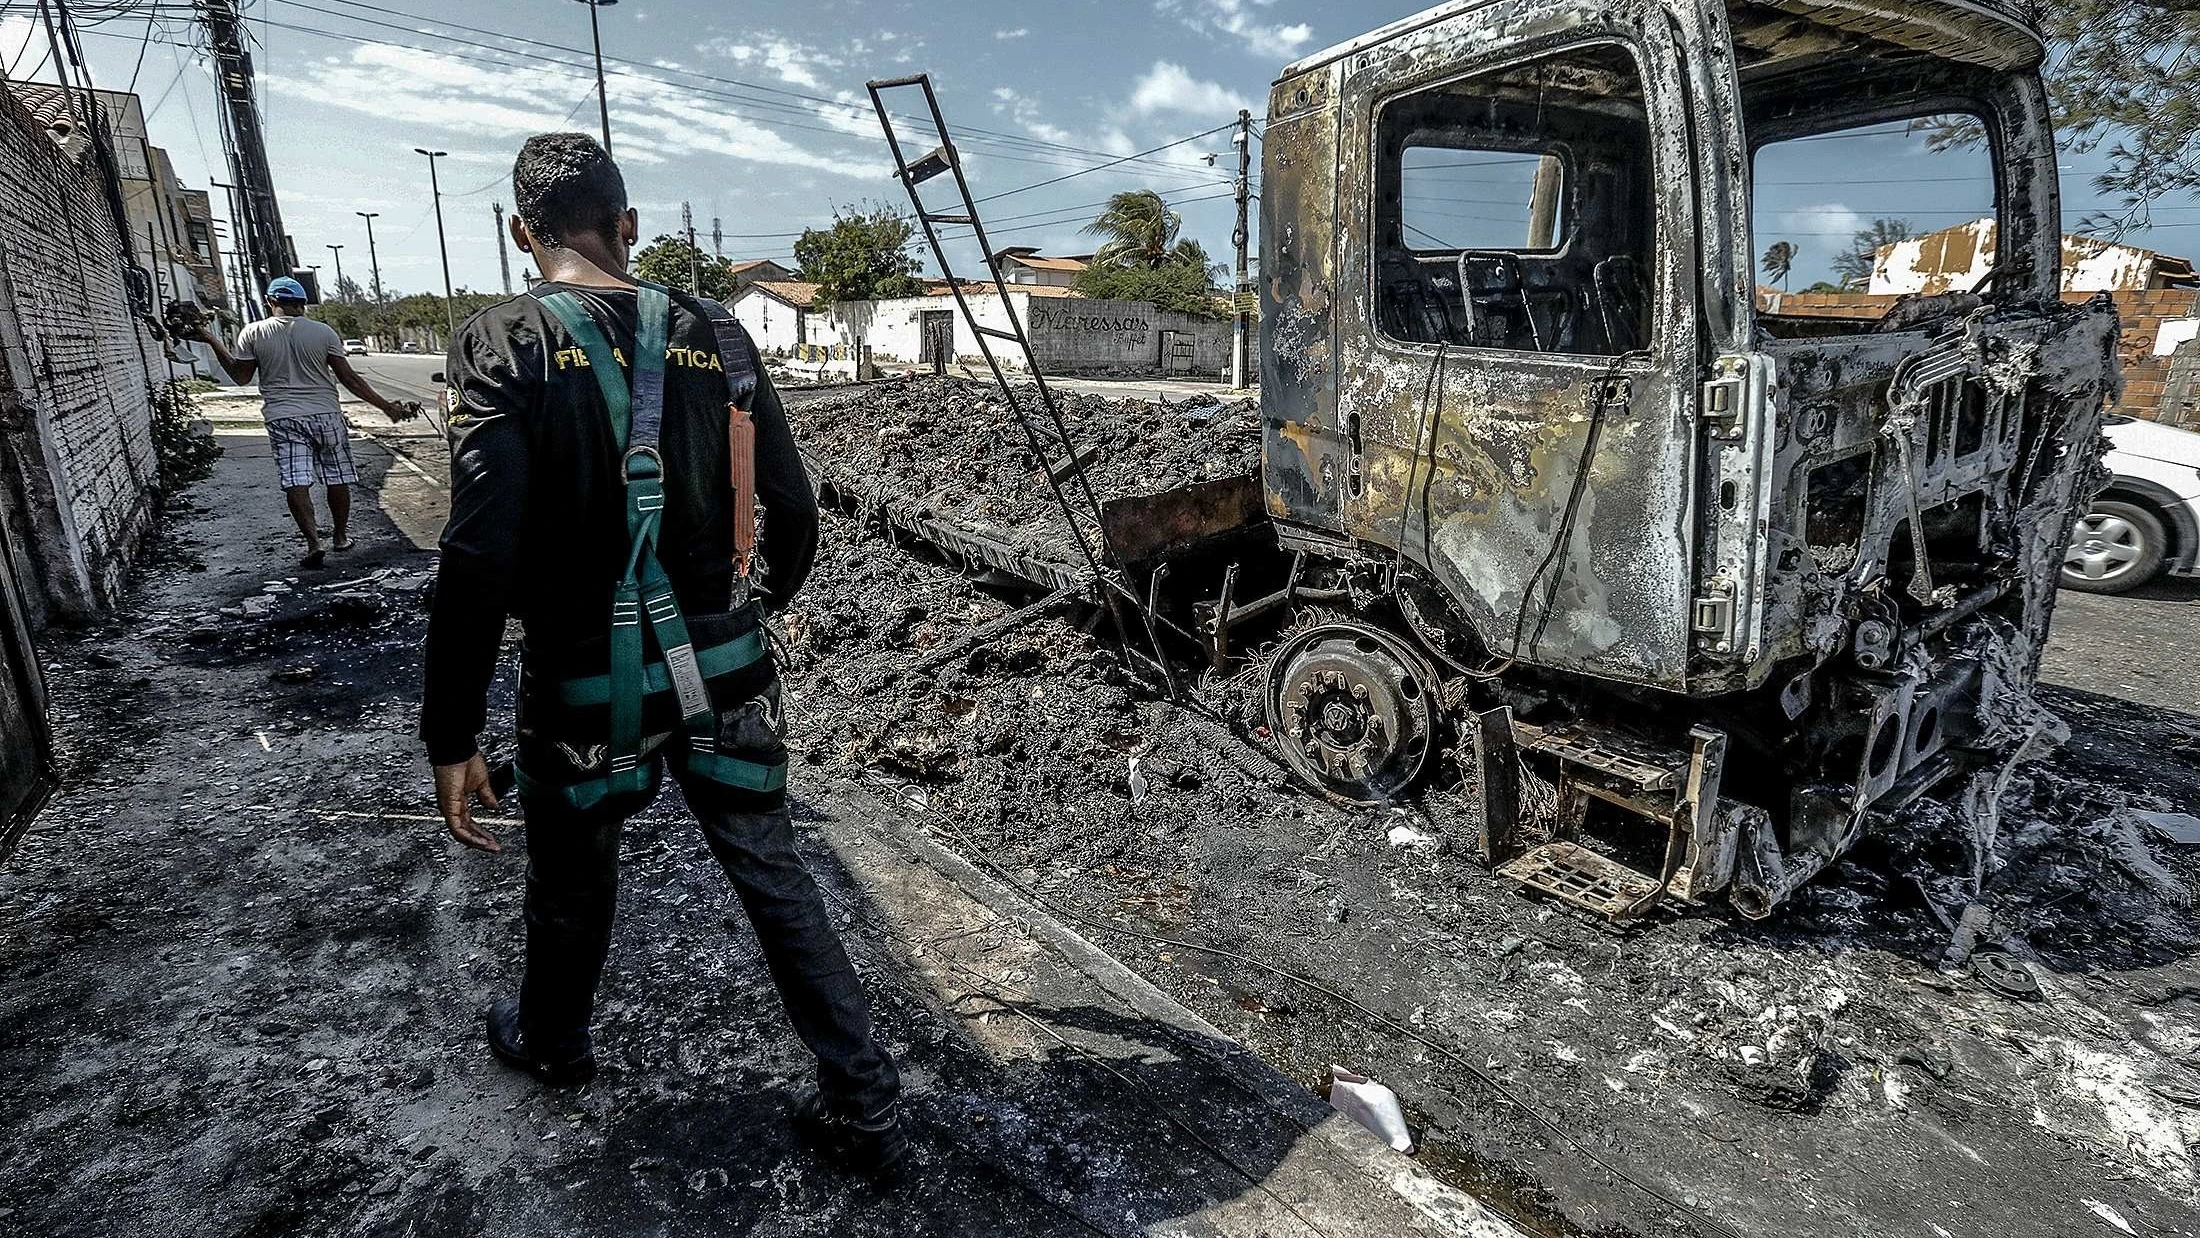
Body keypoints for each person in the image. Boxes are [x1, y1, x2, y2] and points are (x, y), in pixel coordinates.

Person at [418, 133, 903, 1176]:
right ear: (627, 225)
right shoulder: (715, 332)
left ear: (521, 233)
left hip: (583, 687)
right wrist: (746, 612)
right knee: (774, 873)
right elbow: (794, 510)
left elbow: (478, 549)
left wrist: (450, 727)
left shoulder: (501, 340)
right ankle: (864, 1103)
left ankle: (553, 1041)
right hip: (725, 666)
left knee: (571, 880)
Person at [195, 277, 420, 568]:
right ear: (303, 304)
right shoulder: (323, 332)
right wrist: (386, 406)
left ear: (270, 302)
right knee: (337, 476)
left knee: (295, 480)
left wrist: (212, 340)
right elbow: (348, 378)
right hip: (325, 413)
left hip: (283, 416)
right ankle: (340, 537)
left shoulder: (253, 332)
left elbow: (240, 377)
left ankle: (313, 542)